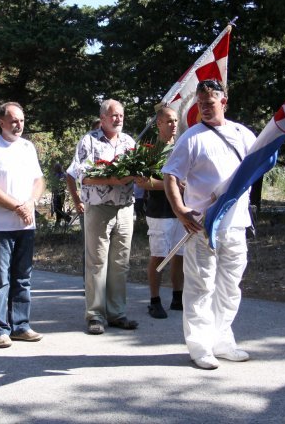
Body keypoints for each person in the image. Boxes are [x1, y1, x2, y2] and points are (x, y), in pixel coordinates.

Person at [162, 79, 256, 370]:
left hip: (235, 225)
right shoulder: (191, 138)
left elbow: (256, 166)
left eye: (210, 102)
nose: (204, 107)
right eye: (200, 103)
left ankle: (222, 340)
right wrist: (180, 209)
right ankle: (200, 346)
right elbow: (170, 176)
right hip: (202, 226)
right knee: (201, 287)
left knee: (230, 286)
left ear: (223, 102)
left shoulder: (243, 134)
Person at [0, 102, 45, 348]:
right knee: (0, 278)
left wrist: (30, 203)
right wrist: (17, 207)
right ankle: (0, 329)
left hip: (26, 225)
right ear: (1, 121)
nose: (19, 125)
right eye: (14, 120)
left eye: (22, 120)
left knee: (23, 277)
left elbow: (39, 180)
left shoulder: (28, 147)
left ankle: (21, 326)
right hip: (0, 226)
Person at [70, 99, 138, 335]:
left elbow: (137, 173)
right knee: (97, 262)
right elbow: (83, 176)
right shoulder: (89, 140)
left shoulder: (129, 142)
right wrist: (113, 180)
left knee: (120, 263)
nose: (118, 119)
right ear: (102, 118)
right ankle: (95, 315)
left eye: (121, 115)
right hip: (98, 209)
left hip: (125, 208)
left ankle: (117, 313)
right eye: (113, 115)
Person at [134, 107, 184, 319]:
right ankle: (154, 300)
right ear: (159, 124)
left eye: (175, 121)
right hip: (159, 211)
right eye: (169, 121)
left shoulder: (183, 147)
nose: (173, 125)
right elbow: (142, 182)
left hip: (181, 210)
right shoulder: (149, 150)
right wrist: (170, 185)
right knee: (159, 255)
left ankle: (178, 297)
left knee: (179, 255)